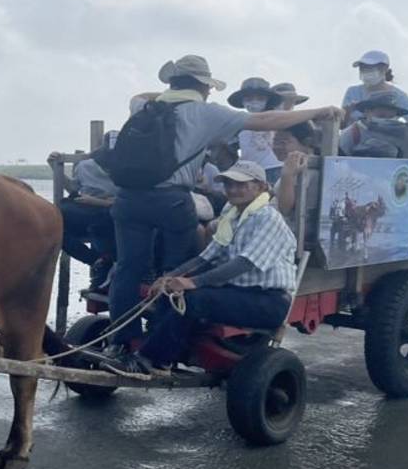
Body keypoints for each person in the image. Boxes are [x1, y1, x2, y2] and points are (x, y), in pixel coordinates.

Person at [106, 55, 342, 351]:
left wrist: (167, 96)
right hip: (171, 202)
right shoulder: (206, 112)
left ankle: (122, 340)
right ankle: (162, 342)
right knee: (176, 269)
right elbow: (265, 121)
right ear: (204, 87)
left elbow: (137, 95)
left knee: (127, 268)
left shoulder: (144, 106)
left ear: (172, 83)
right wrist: (320, 110)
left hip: (128, 199)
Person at [108, 161, 297, 376]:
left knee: (191, 299)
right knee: (169, 293)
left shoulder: (267, 217)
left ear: (261, 187)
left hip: (268, 301)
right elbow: (205, 257)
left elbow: (244, 263)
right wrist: (168, 278)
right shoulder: (233, 215)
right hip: (238, 292)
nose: (233, 190)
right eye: (229, 184)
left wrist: (192, 282)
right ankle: (160, 352)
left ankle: (152, 360)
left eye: (241, 184)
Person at [52, 132, 119, 291]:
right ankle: (97, 261)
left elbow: (129, 200)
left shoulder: (129, 169)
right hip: (86, 210)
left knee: (104, 223)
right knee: (55, 225)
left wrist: (97, 201)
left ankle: (107, 269)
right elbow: (73, 188)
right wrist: (54, 167)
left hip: (110, 213)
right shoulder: (85, 166)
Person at [228, 77, 285, 185]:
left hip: (275, 168)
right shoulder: (239, 123)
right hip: (249, 172)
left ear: (267, 100)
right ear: (243, 101)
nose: (254, 102)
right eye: (249, 99)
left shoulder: (275, 119)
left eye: (260, 98)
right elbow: (229, 146)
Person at [339, 92, 408, 158]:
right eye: (381, 116)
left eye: (391, 117)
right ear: (367, 112)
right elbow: (338, 157)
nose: (387, 119)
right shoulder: (354, 132)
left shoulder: (402, 133)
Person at [274, 122, 321, 222]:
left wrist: (287, 175)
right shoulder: (297, 164)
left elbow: (285, 209)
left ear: (306, 142)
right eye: (275, 141)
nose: (276, 147)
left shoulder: (305, 169)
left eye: (283, 142)